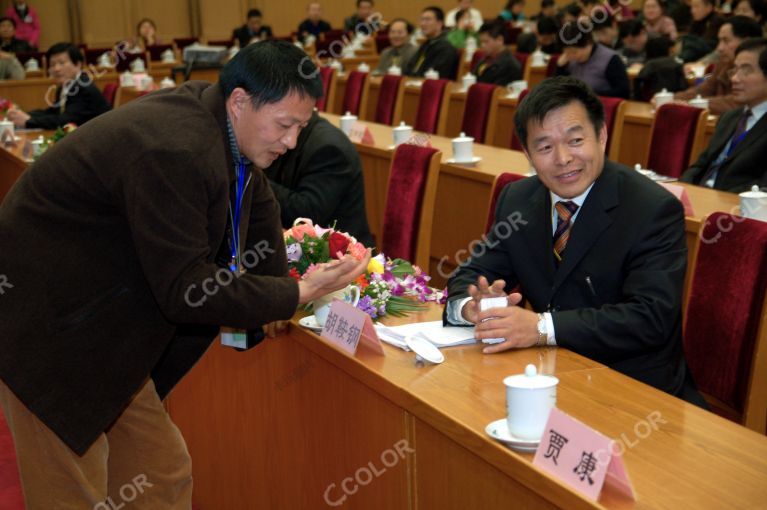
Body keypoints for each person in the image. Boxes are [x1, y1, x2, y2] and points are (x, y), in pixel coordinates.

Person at [0, 40, 370, 509]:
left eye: (301, 127)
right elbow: (187, 289)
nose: (292, 142)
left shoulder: (224, 126)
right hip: (49, 326)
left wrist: (283, 290)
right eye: (284, 125)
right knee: (73, 489)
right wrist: (294, 292)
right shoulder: (176, 147)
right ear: (240, 101)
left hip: (105, 326)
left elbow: (258, 209)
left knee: (160, 472)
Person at [444, 76, 704, 405]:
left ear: (602, 136)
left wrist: (541, 327)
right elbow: (473, 272)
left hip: (634, 390)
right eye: (545, 147)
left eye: (576, 140)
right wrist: (473, 308)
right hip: (550, 375)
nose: (563, 158)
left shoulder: (652, 209)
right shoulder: (518, 199)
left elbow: (650, 318)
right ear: (527, 153)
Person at [264, 111, 375, 247]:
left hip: (343, 257)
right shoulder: (290, 135)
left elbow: (305, 215)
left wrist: (254, 179)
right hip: (298, 248)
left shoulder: (330, 148)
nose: (290, 142)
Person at [681, 38, 767, 192]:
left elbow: (762, 188)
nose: (734, 78)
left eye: (746, 71)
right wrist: (682, 188)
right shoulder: (730, 117)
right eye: (735, 70)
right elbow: (701, 165)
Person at [6, 43, 110, 129]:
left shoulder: (83, 88)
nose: (56, 69)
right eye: (52, 64)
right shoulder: (66, 85)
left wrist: (28, 121)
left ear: (78, 64)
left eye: (62, 63)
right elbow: (54, 111)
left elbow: (65, 121)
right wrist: (25, 115)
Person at [674, 16, 763, 114]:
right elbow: (702, 90)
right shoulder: (723, 65)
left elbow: (738, 102)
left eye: (726, 41)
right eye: (719, 41)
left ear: (746, 41)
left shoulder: (760, 66)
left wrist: (694, 104)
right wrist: (670, 100)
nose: (719, 48)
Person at [556, 21, 631, 98]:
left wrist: (590, 95)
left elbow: (623, 92)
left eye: (574, 52)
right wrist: (560, 68)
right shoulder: (568, 60)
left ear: (589, 42)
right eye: (567, 53)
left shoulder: (610, 59)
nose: (572, 56)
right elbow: (557, 90)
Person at [404, 6, 459, 79]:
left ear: (439, 23)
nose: (423, 24)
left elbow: (436, 74)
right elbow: (410, 67)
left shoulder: (446, 48)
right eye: (422, 20)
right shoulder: (426, 44)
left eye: (427, 20)